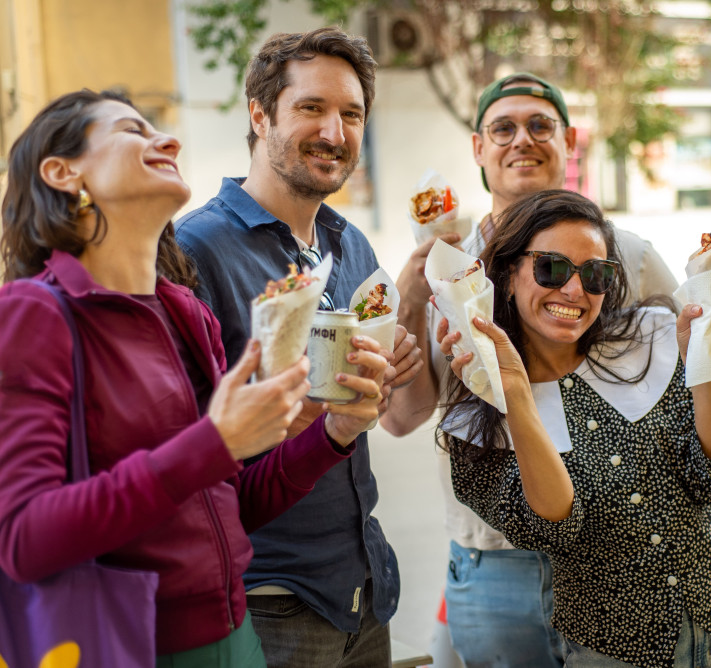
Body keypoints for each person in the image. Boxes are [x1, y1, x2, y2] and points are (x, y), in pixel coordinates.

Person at [0, 89, 386, 665]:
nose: (169, 140)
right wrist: (216, 442)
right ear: (62, 171)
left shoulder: (186, 313)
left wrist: (332, 435)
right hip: (125, 642)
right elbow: (24, 541)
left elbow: (224, 508)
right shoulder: (33, 313)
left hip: (234, 640)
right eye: (133, 131)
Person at [383, 72, 680, 667]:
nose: (523, 139)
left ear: (568, 143)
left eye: (540, 125)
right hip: (493, 561)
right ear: (478, 149)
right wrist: (411, 300)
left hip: (607, 554)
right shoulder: (444, 267)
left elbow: (691, 381)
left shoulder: (628, 257)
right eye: (504, 128)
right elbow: (402, 417)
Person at [433, 189, 711, 667]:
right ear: (509, 277)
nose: (575, 291)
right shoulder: (475, 424)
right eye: (551, 268)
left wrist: (700, 363)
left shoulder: (652, 336)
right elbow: (555, 526)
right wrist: (515, 392)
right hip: (621, 651)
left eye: (595, 275)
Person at [176, 27, 418, 668]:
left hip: (364, 589)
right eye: (312, 108)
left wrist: (387, 371)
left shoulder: (350, 243)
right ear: (259, 115)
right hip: (268, 598)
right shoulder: (194, 249)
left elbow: (392, 418)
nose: (335, 133)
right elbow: (185, 444)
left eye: (352, 114)